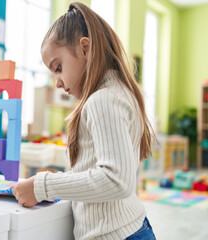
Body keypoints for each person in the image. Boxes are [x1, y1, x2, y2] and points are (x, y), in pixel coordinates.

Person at [12, 2, 156, 240]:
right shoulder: (118, 92)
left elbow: (116, 180)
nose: (56, 81)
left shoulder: (103, 100)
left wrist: (41, 186)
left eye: (58, 68)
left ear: (85, 49)